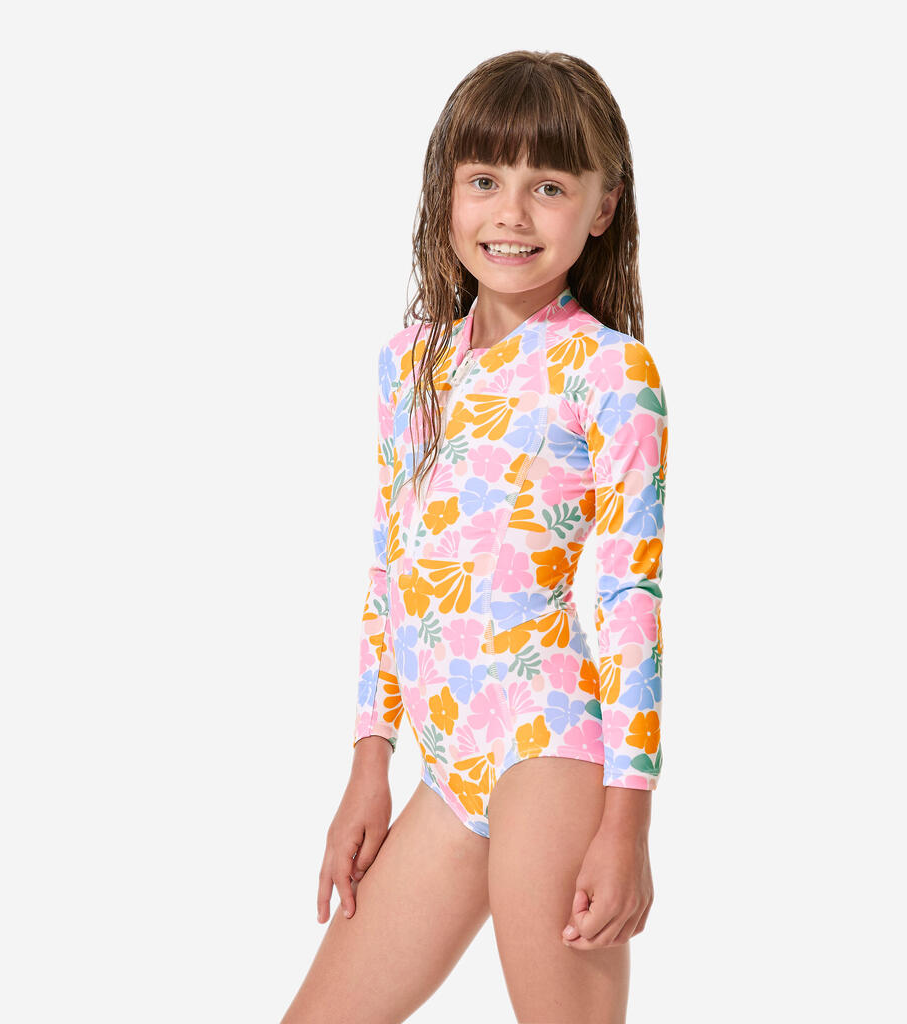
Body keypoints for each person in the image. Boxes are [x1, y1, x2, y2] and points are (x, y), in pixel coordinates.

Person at [281, 49, 667, 1024]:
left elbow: (631, 597)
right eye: (485, 180)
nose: (512, 214)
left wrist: (627, 822)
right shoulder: (411, 362)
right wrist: (369, 764)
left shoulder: (610, 371)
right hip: (445, 763)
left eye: (549, 187)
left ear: (602, 206)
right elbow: (390, 568)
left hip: (546, 739)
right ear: (445, 193)